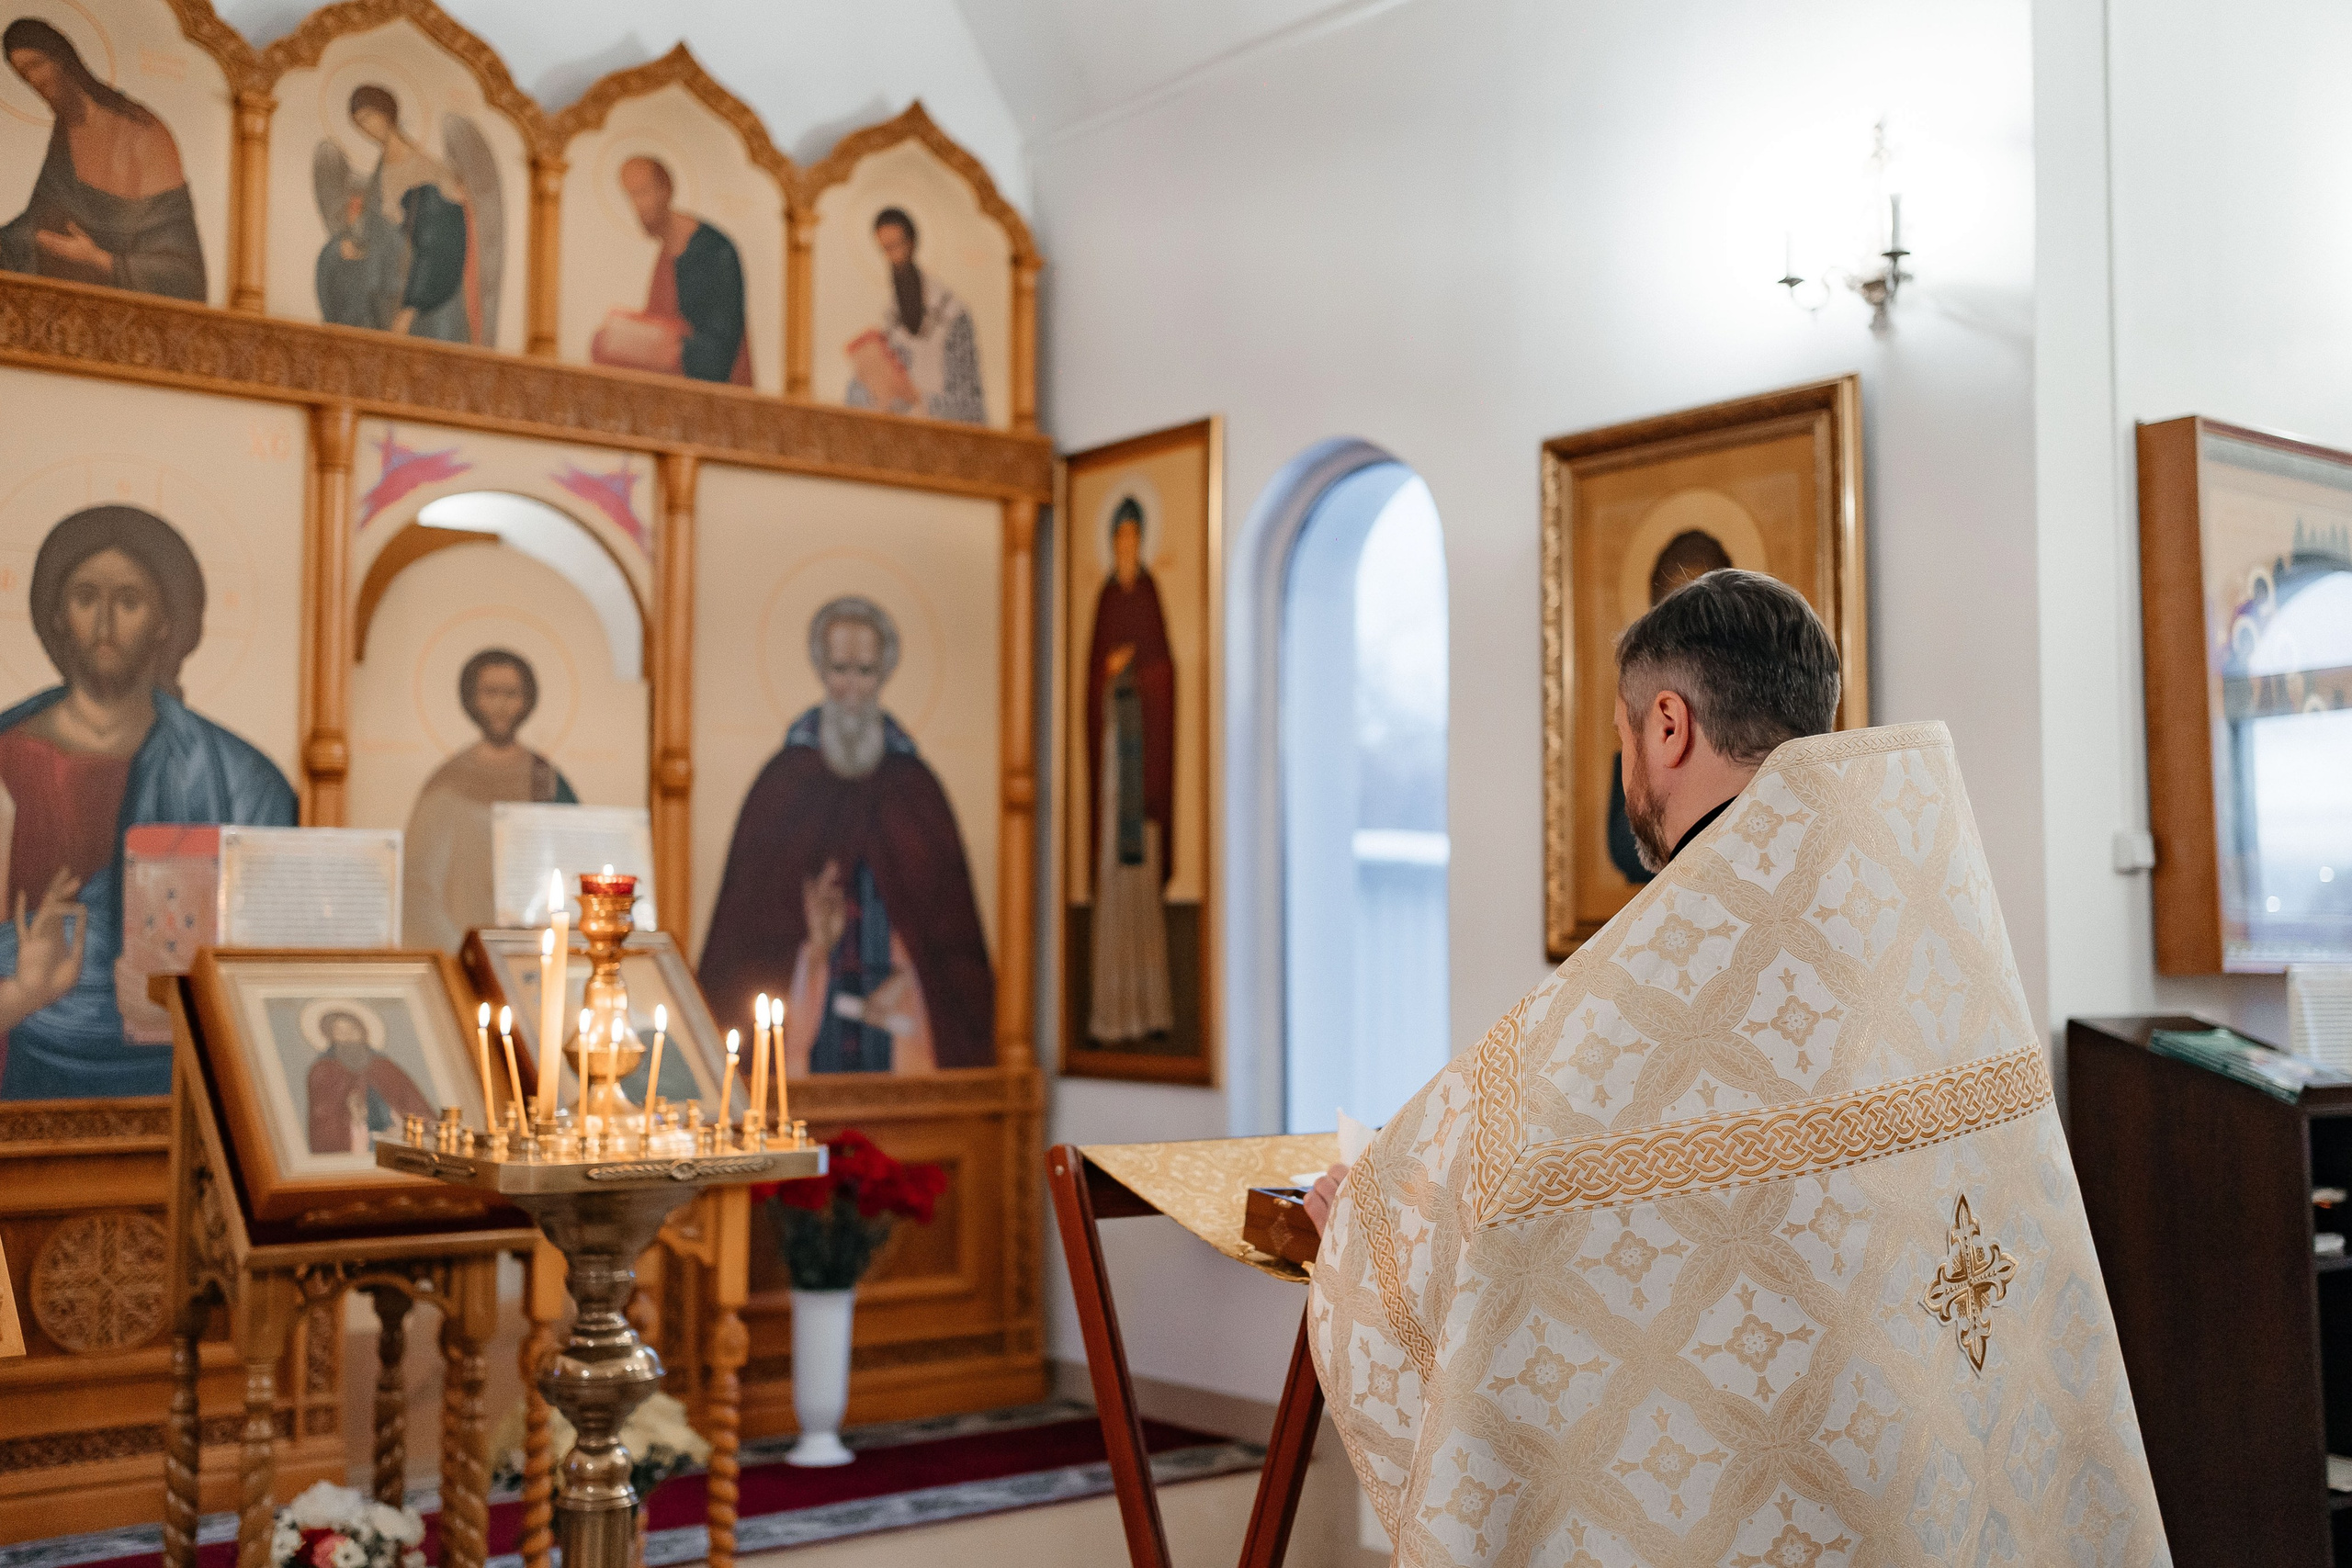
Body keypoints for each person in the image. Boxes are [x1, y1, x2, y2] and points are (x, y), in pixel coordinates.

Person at [1304, 570, 2169, 1564]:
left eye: (1624, 738)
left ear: (1668, 725)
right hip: (1928, 1471)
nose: (1627, 763)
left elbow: (1510, 1206)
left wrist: (1370, 1236)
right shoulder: (1925, 943)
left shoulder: (1642, 994)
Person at [0, 505, 297, 1100]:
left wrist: (188, 1004)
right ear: (56, 614)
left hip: (184, 1081)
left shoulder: (241, 777)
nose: (105, 620)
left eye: (130, 599)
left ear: (166, 621)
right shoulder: (5, 754)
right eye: (86, 596)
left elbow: (278, 960)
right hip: (25, 1075)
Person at [699, 595, 993, 1073]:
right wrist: (812, 951)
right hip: (801, 1026)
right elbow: (745, 936)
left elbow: (952, 940)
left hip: (899, 1027)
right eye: (840, 669)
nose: (852, 687)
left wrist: (912, 981)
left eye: (866, 671)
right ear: (820, 670)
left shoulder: (916, 788)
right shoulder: (784, 782)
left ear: (884, 675)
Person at [0, 17, 205, 300]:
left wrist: (97, 259)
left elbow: (183, 274)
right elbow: (39, 217)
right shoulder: (65, 133)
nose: (34, 80)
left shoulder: (143, 132)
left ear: (62, 58)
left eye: (36, 65)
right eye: (23, 75)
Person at [401, 649, 576, 953]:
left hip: (538, 949)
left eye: (511, 694)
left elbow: (576, 859)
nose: (500, 705)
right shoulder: (449, 781)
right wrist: (461, 952)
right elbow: (417, 885)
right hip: (465, 947)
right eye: (490, 692)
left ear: (527, 701)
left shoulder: (545, 778)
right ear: (472, 699)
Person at [1084, 497, 1176, 1043]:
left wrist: (1137, 672)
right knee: (1113, 880)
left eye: (1132, 540)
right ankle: (1112, 1014)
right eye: (1117, 541)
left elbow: (1167, 671)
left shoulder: (1148, 595)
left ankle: (1152, 1011)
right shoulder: (1103, 598)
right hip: (1114, 760)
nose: (1125, 549)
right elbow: (1089, 677)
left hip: (1143, 770)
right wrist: (1106, 672)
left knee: (1141, 874)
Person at [315, 85, 475, 342]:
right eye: (358, 124)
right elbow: (372, 229)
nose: (365, 128)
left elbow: (441, 247)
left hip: (423, 297)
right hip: (386, 285)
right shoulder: (380, 170)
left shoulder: (428, 170)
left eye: (368, 117)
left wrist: (412, 308)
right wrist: (350, 246)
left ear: (386, 113)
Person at [589, 155, 751, 384]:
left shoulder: (715, 251)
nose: (638, 207)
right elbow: (660, 318)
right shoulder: (667, 253)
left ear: (666, 190)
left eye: (643, 192)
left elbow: (720, 349)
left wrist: (663, 345)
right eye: (630, 196)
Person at [842, 207, 985, 424]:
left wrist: (917, 399)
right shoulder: (891, 317)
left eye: (896, 246)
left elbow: (969, 406)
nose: (892, 257)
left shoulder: (954, 317)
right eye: (884, 249)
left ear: (912, 243)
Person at [303, 1003, 432, 1154]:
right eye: (339, 1031)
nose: (347, 1035)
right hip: (354, 1139)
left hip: (397, 1134)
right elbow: (324, 1115)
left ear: (362, 1031)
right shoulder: (324, 1069)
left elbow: (411, 1100)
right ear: (330, 1036)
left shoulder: (384, 1065)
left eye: (351, 1029)